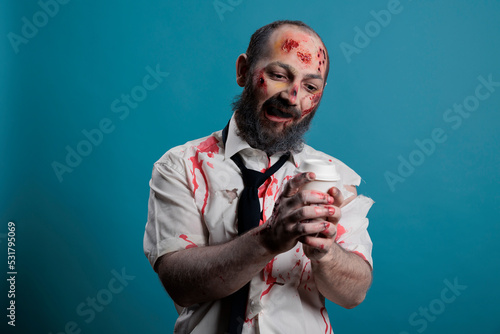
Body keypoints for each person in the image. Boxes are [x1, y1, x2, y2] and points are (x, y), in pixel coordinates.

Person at [143, 20, 374, 334]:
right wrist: (269, 239)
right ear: (243, 71)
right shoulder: (179, 165)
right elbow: (179, 284)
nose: (293, 97)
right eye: (279, 76)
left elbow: (354, 293)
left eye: (310, 86)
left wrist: (326, 252)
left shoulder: (334, 177)